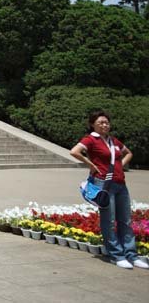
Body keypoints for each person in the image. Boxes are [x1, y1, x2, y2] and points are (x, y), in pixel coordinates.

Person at [69, 110, 148, 270]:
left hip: (120, 183)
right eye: (101, 123)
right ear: (93, 124)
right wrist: (90, 164)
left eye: (106, 122)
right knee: (109, 220)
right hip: (103, 184)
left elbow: (128, 153)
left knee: (125, 220)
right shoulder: (91, 139)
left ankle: (131, 255)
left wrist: (121, 164)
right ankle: (116, 255)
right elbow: (74, 151)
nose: (105, 125)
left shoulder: (113, 141)